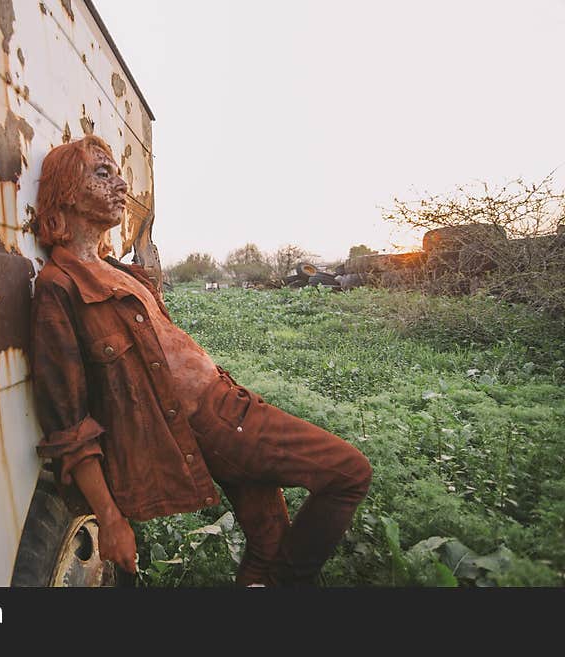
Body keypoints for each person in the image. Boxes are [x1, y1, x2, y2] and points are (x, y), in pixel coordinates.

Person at [29, 135, 372, 586]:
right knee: (348, 471)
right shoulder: (60, 286)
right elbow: (70, 427)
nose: (120, 185)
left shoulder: (121, 272)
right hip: (212, 423)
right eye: (102, 173)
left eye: (118, 173)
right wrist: (110, 518)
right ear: (68, 192)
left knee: (268, 542)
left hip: (230, 400)